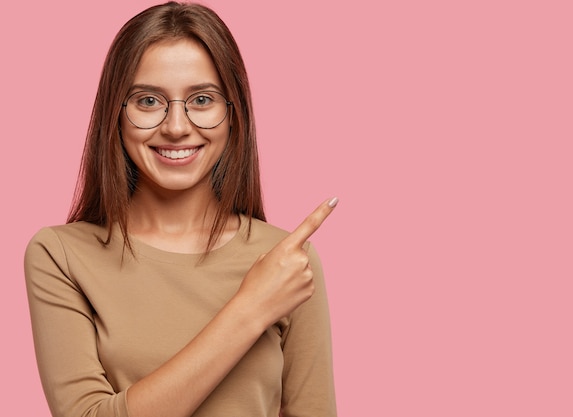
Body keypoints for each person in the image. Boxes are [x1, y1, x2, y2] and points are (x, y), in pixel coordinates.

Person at [23, 2, 338, 416]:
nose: (175, 127)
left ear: (233, 116)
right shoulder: (60, 255)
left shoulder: (288, 262)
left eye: (202, 99)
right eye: (148, 100)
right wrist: (249, 310)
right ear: (114, 116)